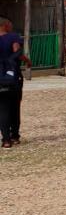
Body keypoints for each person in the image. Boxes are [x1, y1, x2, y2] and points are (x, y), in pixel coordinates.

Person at [0, 16, 30, 148]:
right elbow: (16, 51)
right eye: (10, 25)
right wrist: (27, 61)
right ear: (5, 25)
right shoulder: (13, 37)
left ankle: (6, 140)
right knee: (14, 106)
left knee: (2, 109)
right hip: (13, 78)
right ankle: (15, 136)